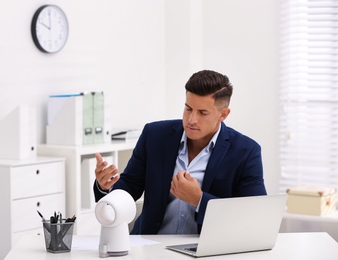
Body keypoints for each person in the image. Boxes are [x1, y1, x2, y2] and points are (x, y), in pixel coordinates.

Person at [93, 69, 267, 235]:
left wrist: (199, 200)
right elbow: (130, 186)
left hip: (206, 249)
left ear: (223, 114)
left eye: (202, 113)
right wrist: (106, 187)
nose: (192, 120)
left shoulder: (246, 152)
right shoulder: (154, 136)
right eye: (188, 108)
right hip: (149, 245)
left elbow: (253, 216)